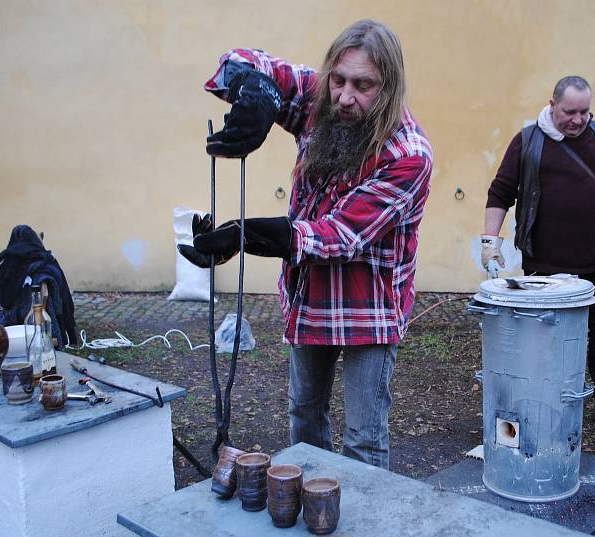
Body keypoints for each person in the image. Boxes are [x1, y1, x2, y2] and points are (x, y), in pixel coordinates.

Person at [179, 20, 433, 469]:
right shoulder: (324, 101)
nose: (345, 97)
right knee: (304, 416)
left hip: (369, 304)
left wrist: (246, 234)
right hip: (310, 295)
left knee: (363, 440)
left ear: (389, 87)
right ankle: (314, 510)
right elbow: (249, 60)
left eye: (363, 85)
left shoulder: (407, 155)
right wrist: (255, 90)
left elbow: (339, 237)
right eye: (338, 80)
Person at [481, 76, 595, 432]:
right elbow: (500, 192)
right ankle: (544, 400)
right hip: (545, 262)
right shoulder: (528, 140)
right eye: (570, 111)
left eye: (584, 111)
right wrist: (489, 242)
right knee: (545, 336)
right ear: (552, 104)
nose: (577, 119)